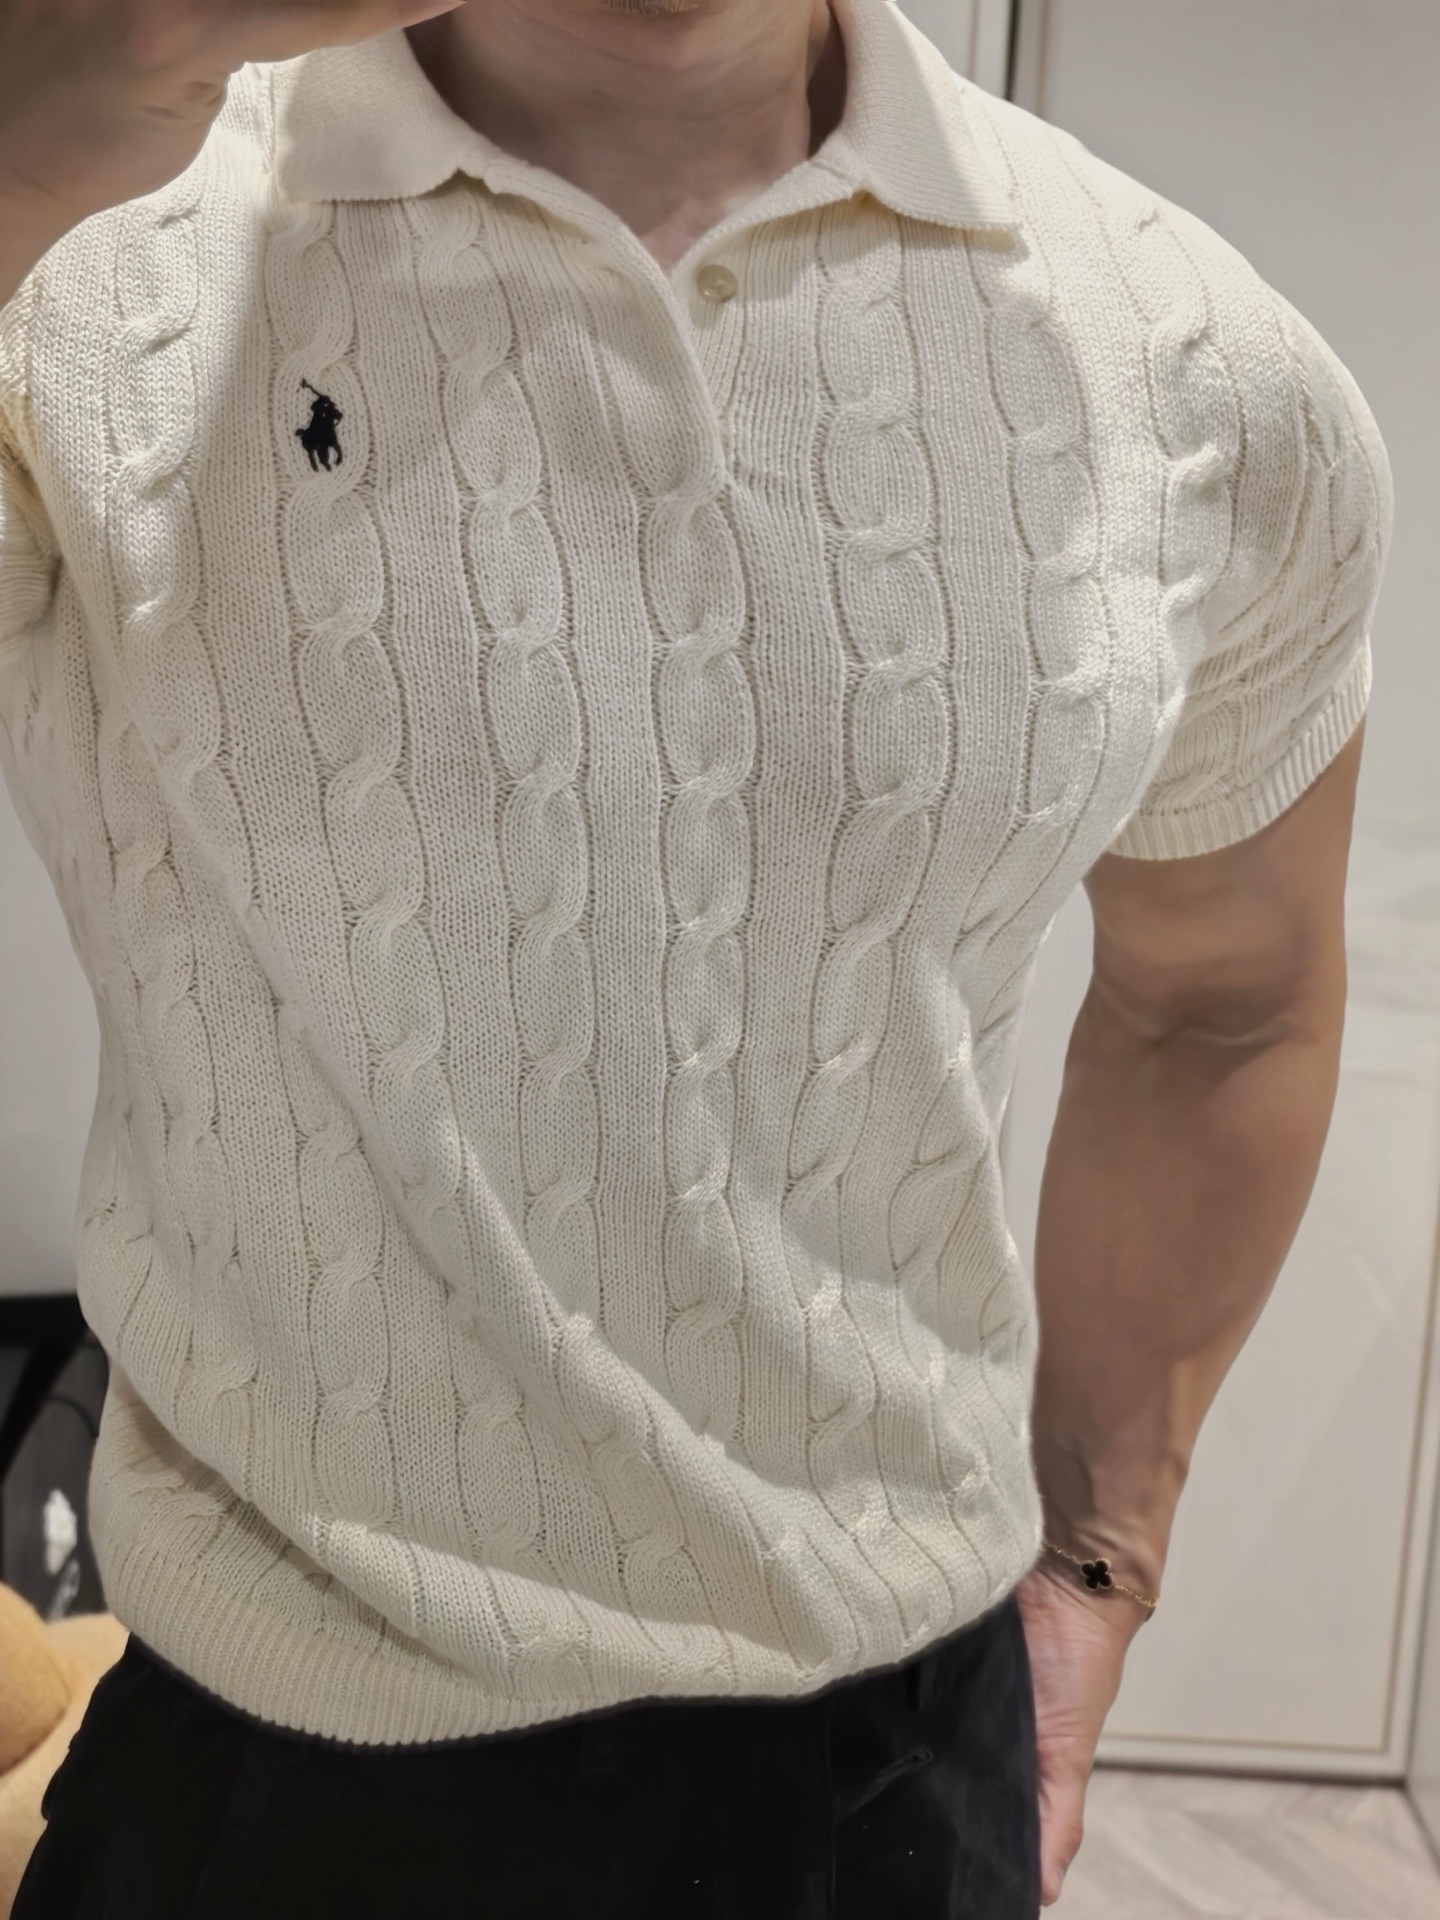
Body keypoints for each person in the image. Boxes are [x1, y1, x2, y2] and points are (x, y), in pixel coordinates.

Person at [0, 0, 1393, 1913]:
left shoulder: (1199, 368)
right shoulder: (75, 253)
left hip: (891, 1757)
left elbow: (1221, 1007)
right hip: (262, 1746)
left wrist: (1097, 1563)